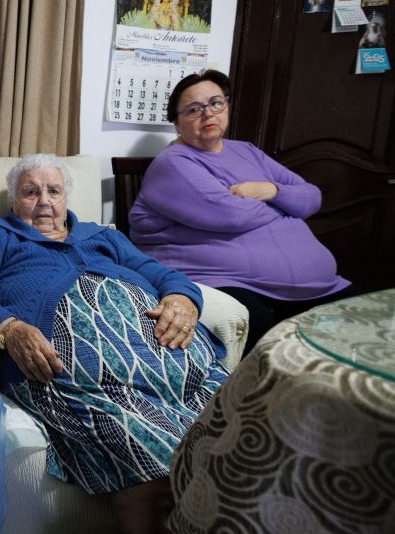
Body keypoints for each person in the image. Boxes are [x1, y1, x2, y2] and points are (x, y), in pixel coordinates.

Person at [0, 154, 228, 534]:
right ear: (14, 201)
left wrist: (183, 298)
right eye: (30, 191)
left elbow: (163, 274)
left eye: (53, 190)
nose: (44, 200)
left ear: (66, 198)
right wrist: (9, 326)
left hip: (172, 358)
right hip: (84, 377)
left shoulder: (102, 236)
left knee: (240, 431)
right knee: (148, 455)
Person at [128, 69, 360, 356]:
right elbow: (230, 213)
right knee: (281, 353)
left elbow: (311, 197)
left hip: (317, 286)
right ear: (176, 123)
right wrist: (287, 208)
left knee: (372, 328)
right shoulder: (173, 163)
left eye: (216, 103)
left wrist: (270, 191)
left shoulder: (246, 151)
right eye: (193, 109)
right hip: (233, 283)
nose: (208, 114)